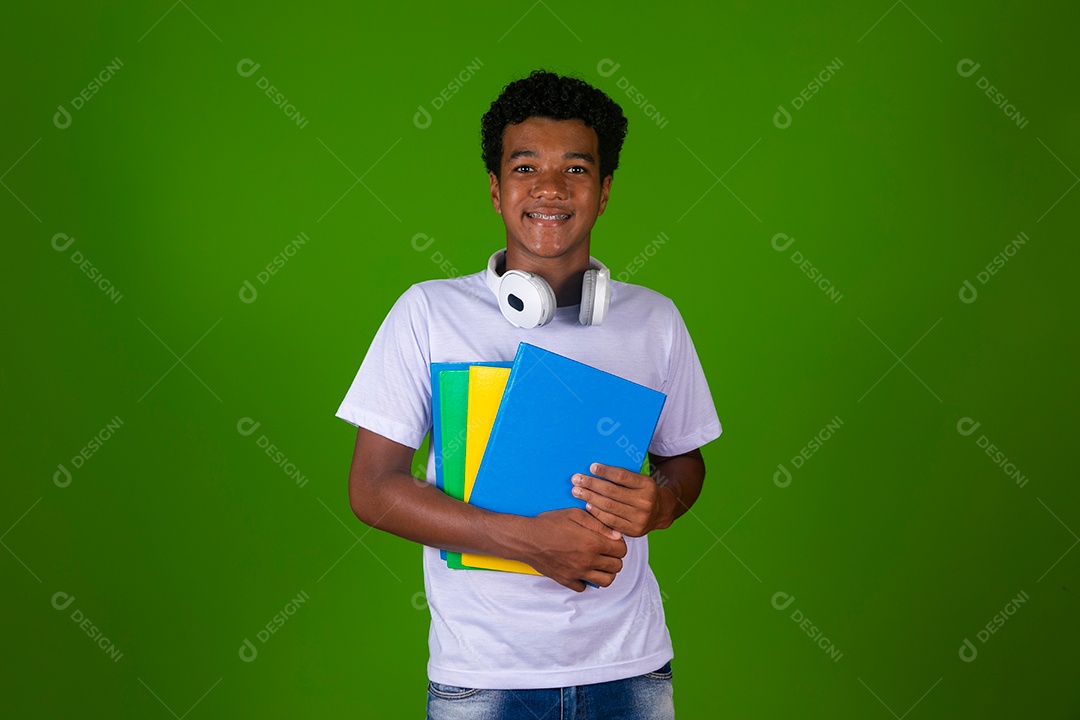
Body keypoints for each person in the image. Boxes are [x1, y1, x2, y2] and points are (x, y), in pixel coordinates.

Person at [336, 69, 722, 719]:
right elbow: (372, 489)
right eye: (525, 168)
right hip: (483, 676)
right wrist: (526, 540)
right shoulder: (429, 313)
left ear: (603, 193)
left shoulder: (654, 320)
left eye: (575, 169)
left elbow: (685, 463)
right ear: (495, 189)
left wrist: (660, 502)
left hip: (630, 669)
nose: (549, 187)